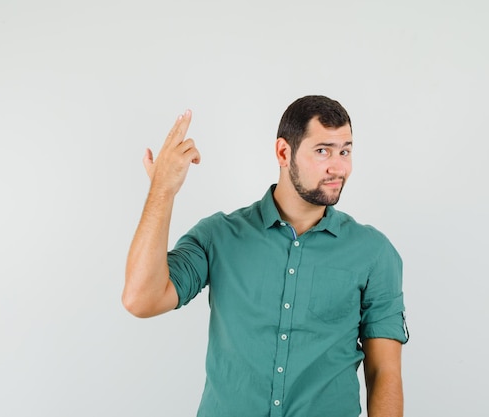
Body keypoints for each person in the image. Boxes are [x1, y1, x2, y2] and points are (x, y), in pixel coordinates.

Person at [123, 95, 409, 417]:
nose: (338, 166)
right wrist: (163, 190)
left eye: (345, 151)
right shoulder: (219, 235)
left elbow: (384, 372)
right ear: (284, 152)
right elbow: (140, 299)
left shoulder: (374, 253)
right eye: (322, 151)